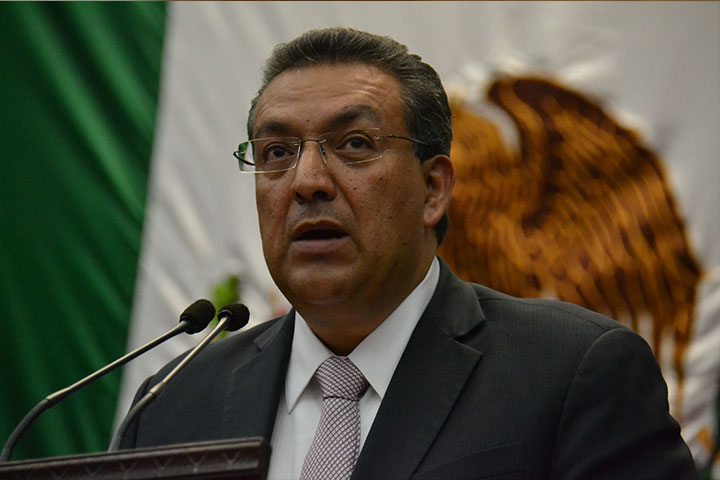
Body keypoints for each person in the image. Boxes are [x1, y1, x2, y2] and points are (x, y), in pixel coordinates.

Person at [118, 27, 697, 479]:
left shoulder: (571, 373)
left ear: (434, 189)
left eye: (355, 144)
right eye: (277, 152)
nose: (307, 181)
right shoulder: (172, 406)